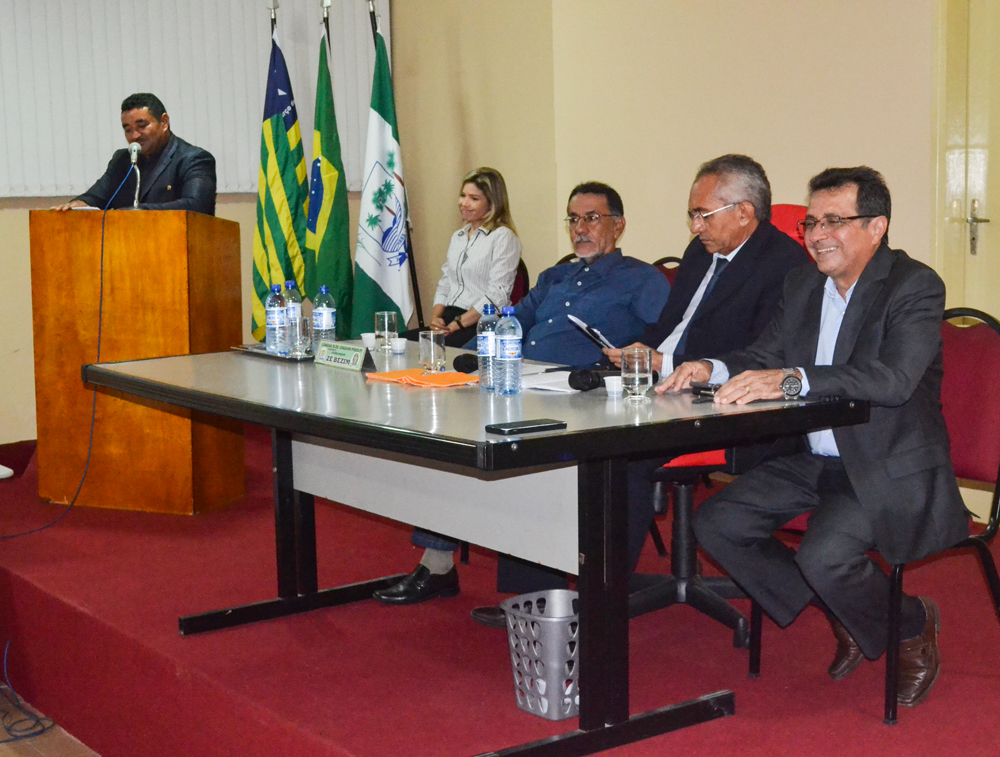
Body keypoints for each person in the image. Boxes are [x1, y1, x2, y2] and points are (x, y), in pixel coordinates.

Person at [660, 166, 968, 708]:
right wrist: (710, 366)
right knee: (719, 523)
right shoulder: (803, 284)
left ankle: (912, 622)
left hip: (884, 462)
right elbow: (764, 357)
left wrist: (797, 378)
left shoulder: (914, 285)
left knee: (822, 557)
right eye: (810, 223)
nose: (817, 235)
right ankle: (850, 611)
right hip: (815, 458)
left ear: (877, 227)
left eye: (834, 222)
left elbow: (892, 380)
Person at [373, 181, 671, 611]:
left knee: (522, 458)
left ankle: (534, 596)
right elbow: (506, 324)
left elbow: (664, 344)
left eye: (592, 218)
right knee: (448, 436)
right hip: (521, 386)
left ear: (618, 225)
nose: (580, 228)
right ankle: (437, 563)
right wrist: (462, 362)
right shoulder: (556, 276)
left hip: (583, 399)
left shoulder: (643, 280)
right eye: (573, 219)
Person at [602, 155, 810, 613]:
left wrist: (669, 361)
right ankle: (555, 577)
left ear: (744, 212)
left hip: (729, 407)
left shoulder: (787, 265)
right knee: (570, 432)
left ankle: (601, 594)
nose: (696, 226)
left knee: (620, 453)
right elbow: (673, 325)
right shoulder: (702, 252)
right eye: (691, 214)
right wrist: (638, 352)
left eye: (703, 214)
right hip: (666, 384)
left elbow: (759, 354)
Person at [407, 168, 521, 347]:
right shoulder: (458, 237)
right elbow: (446, 282)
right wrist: (437, 317)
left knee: (425, 350)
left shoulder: (503, 237)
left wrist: (457, 324)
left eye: (474, 199)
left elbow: (497, 294)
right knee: (397, 342)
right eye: (463, 196)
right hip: (449, 319)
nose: (464, 203)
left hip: (479, 323)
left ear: (492, 205)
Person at [52, 93, 216, 215]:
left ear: (164, 122)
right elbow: (96, 197)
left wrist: (138, 211)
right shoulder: (122, 160)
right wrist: (78, 204)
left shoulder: (193, 158)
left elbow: (197, 206)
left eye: (142, 125)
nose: (135, 136)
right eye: (128, 129)